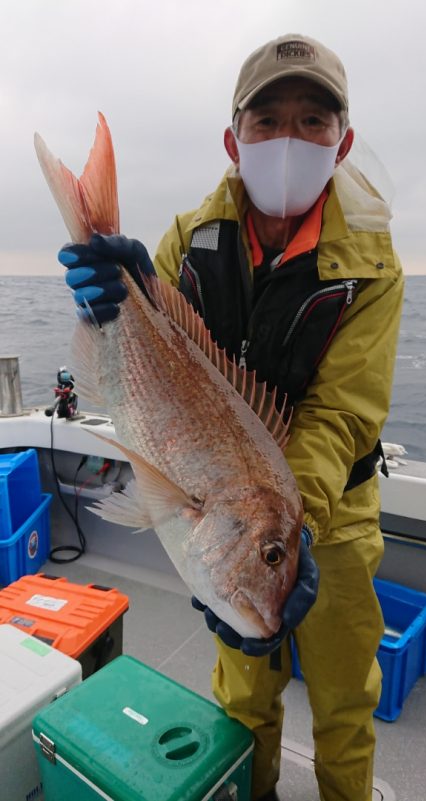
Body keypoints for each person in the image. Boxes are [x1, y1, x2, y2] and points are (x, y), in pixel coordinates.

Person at [59, 33, 404, 801]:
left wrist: (290, 526)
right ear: (233, 137)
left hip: (332, 519)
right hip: (242, 506)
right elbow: (164, 346)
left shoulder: (376, 265)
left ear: (342, 143)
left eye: (313, 121)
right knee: (244, 699)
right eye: (267, 118)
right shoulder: (188, 236)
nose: (290, 137)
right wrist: (114, 296)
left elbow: (342, 415)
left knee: (347, 699)